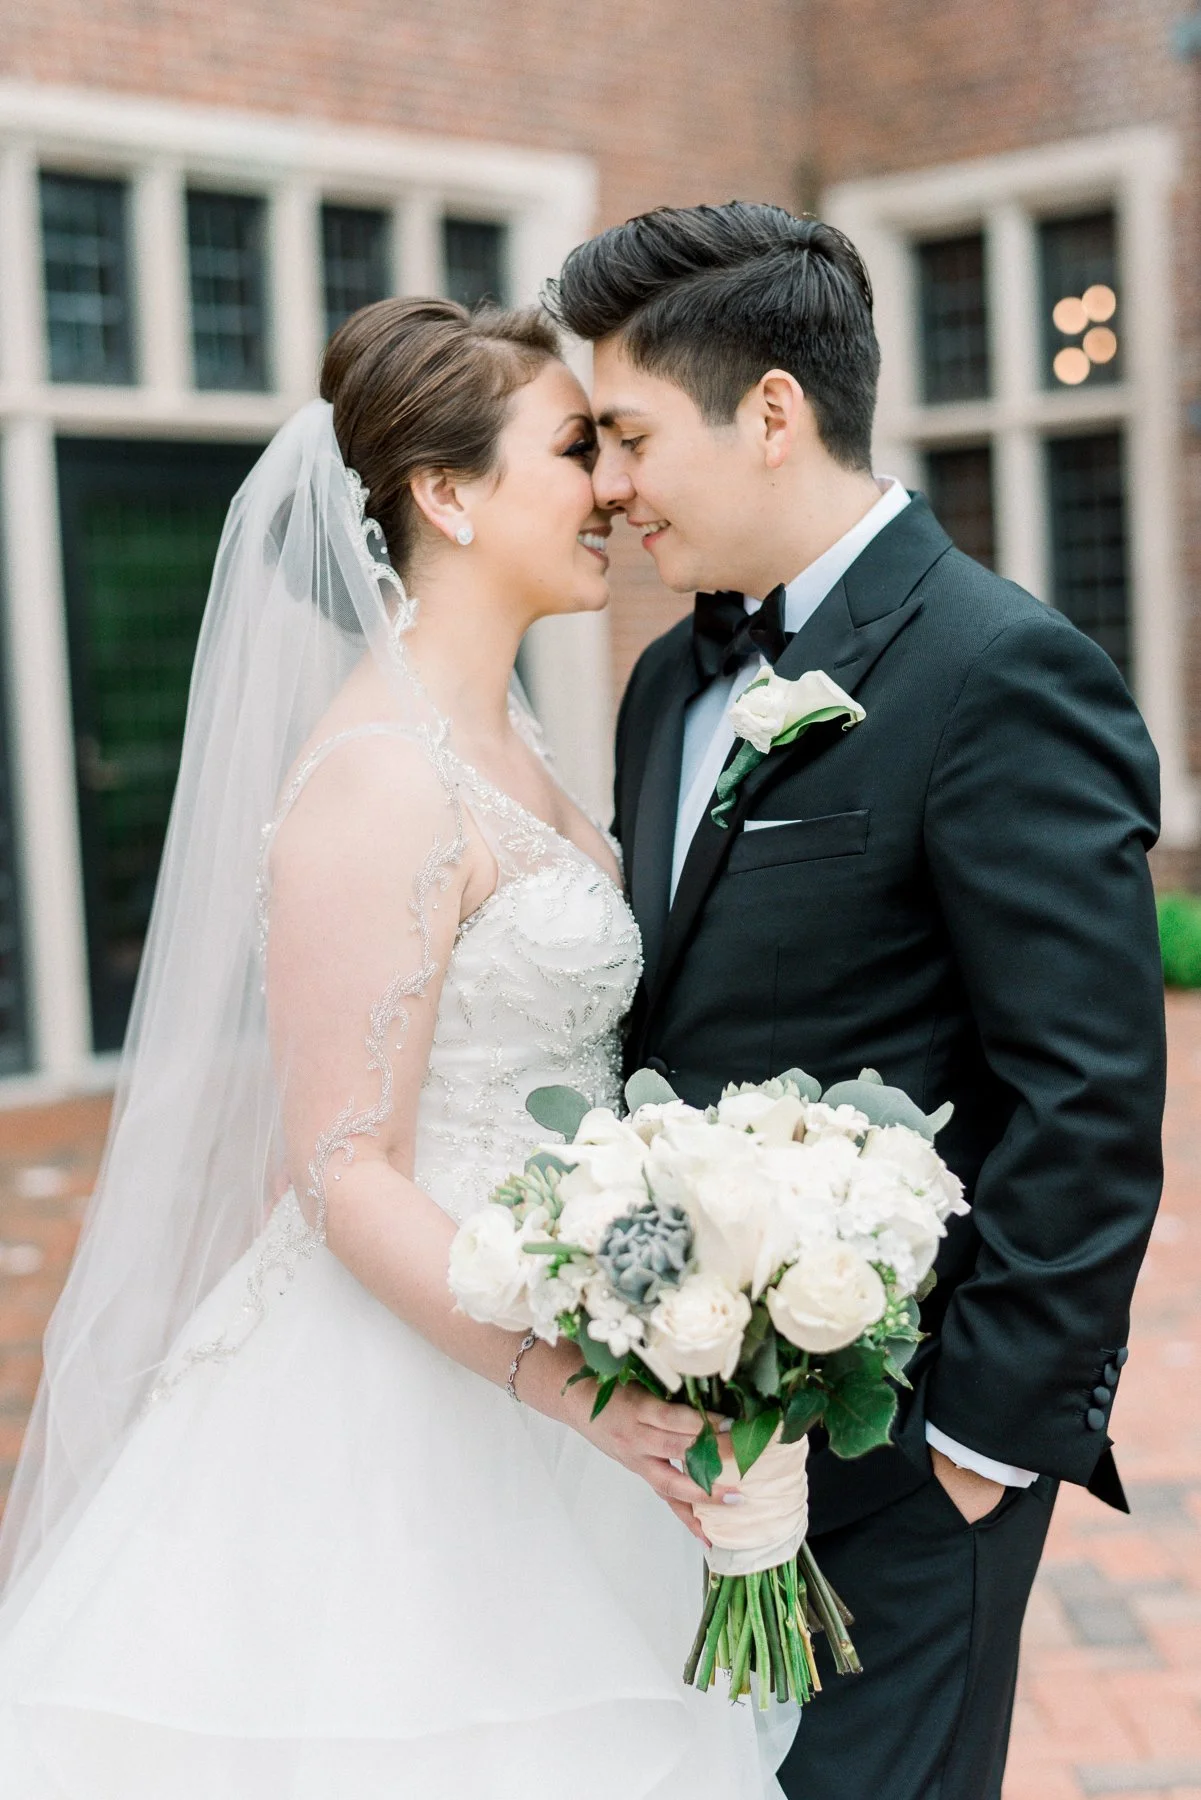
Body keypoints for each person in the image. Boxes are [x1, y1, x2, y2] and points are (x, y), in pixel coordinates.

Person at [0, 299, 779, 1798]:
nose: (615, 487)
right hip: (416, 1400)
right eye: (575, 448)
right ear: (447, 493)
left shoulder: (520, 743)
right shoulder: (378, 775)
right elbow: (343, 1168)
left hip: (565, 1331)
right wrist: (584, 1393)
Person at [549, 200, 1166, 1800]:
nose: (604, 487)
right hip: (693, 1446)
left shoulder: (999, 670)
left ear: (770, 411)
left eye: (624, 434)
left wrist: (978, 1447)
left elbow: (1089, 1093)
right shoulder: (666, 681)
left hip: (907, 1465)